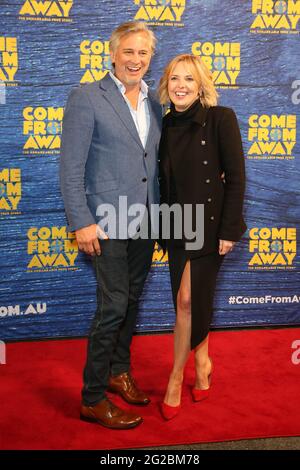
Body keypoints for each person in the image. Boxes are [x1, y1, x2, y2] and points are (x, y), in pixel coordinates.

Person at [60, 22, 161, 429]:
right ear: (113, 54)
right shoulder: (87, 97)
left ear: (150, 58)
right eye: (129, 52)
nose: (136, 60)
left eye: (143, 53)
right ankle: (92, 397)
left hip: (147, 219)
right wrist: (80, 221)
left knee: (133, 299)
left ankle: (120, 370)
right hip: (104, 220)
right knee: (114, 303)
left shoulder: (157, 101)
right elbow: (70, 167)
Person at [158, 54, 246, 420]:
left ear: (200, 85)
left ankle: (175, 377)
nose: (181, 85)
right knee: (189, 302)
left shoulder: (220, 119)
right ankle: (204, 361)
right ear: (166, 85)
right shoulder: (163, 125)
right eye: (175, 78)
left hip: (210, 227)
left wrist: (228, 230)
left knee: (188, 298)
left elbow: (236, 176)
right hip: (177, 225)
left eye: (189, 80)